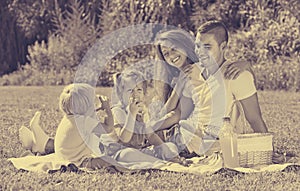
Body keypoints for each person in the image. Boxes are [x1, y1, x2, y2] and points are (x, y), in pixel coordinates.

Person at [153, 29, 252, 156]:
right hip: (194, 132)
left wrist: (246, 65)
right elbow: (177, 114)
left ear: (184, 46)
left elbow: (177, 114)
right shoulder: (181, 77)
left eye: (174, 49)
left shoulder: (203, 68)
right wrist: (178, 87)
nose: (171, 56)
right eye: (166, 54)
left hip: (210, 133)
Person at [15, 83, 121, 171]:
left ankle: (41, 143)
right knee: (112, 161)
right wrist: (107, 109)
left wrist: (97, 109)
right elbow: (108, 128)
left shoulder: (70, 117)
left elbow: (89, 115)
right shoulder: (84, 122)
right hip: (79, 161)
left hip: (63, 155)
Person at [195, 20, 268, 133]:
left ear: (223, 46)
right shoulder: (196, 73)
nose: (200, 52)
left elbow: (255, 120)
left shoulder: (236, 75)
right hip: (190, 141)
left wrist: (268, 148)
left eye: (207, 47)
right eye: (198, 46)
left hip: (220, 146)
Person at [102, 69, 186, 165]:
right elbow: (124, 139)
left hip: (138, 151)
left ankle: (167, 159)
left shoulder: (142, 111)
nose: (135, 94)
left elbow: (150, 135)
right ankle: (162, 162)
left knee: (170, 146)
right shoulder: (118, 111)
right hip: (118, 153)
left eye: (139, 90)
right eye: (130, 90)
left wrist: (164, 148)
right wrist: (131, 114)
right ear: (120, 95)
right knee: (128, 155)